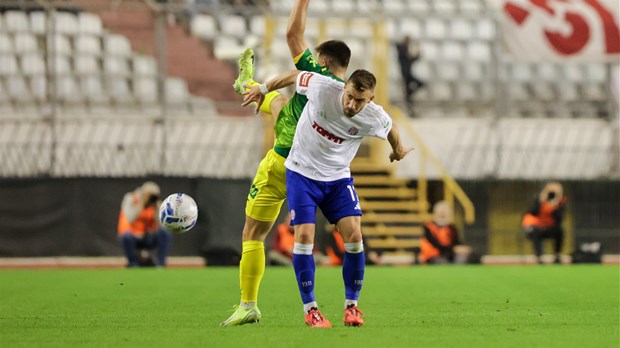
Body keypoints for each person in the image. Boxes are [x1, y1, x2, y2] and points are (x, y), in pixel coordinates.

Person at [244, 68, 412, 327]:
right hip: (301, 172)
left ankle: (352, 307)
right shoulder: (322, 88)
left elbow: (391, 129)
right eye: (350, 96)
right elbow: (293, 75)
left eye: (360, 100)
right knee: (304, 237)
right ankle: (311, 310)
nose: (352, 104)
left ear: (371, 99)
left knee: (355, 236)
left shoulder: (374, 116)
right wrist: (263, 89)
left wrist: (397, 150)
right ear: (344, 88)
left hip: (337, 179)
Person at [220, 0, 352, 327]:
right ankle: (248, 87)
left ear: (322, 61)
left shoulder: (316, 73)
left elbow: (293, 32)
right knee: (281, 103)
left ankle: (248, 304)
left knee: (253, 233)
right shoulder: (350, 96)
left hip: (283, 164)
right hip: (323, 173)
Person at [117, 181, 172, 268]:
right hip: (133, 236)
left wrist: (157, 207)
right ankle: (133, 263)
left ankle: (160, 264)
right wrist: (141, 204)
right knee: (126, 236)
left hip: (149, 236)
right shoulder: (131, 198)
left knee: (165, 233)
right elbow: (129, 218)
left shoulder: (155, 203)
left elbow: (162, 224)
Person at [522, 182, 567, 264]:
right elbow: (533, 212)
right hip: (537, 227)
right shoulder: (540, 199)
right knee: (535, 232)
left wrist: (555, 206)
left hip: (549, 228)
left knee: (560, 231)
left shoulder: (560, 202)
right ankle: (539, 257)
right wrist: (541, 201)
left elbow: (559, 219)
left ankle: (557, 255)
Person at [420, 201, 470, 265]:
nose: (442, 215)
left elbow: (456, 242)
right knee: (442, 262)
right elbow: (436, 244)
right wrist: (454, 249)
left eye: (445, 213)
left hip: (449, 255)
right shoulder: (428, 227)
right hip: (433, 256)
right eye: (440, 213)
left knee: (463, 256)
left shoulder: (452, 228)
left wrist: (463, 248)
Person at [395, 35, 424, 114]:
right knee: (410, 91)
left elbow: (415, 58)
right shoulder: (402, 53)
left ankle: (410, 95)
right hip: (406, 75)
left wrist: (418, 52)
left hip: (408, 75)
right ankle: (410, 109)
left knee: (410, 93)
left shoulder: (407, 57)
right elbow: (399, 46)